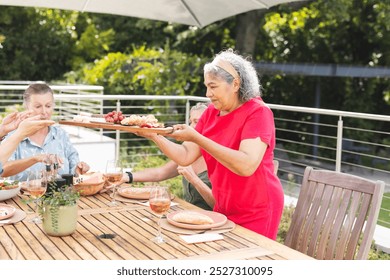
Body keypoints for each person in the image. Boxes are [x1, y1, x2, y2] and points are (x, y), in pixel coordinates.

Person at [136, 49, 284, 240]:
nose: (208, 94)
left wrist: (198, 138)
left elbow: (246, 165)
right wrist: (154, 135)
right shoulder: (211, 113)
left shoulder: (258, 112)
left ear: (236, 84)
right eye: (207, 86)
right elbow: (185, 155)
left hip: (257, 209)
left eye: (213, 86)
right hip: (224, 206)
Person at [121, 103, 214, 210]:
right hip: (186, 214)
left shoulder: (219, 155)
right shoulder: (188, 152)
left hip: (212, 221)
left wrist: (194, 179)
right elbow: (161, 173)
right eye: (190, 122)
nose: (191, 126)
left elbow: (218, 205)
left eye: (197, 122)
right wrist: (126, 176)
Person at [6, 83, 90, 181]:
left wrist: (80, 169)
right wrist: (35, 159)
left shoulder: (61, 135)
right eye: (38, 106)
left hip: (62, 195)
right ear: (27, 107)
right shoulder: (13, 137)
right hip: (23, 196)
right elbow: (3, 169)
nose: (44, 111)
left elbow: (74, 171)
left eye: (48, 106)